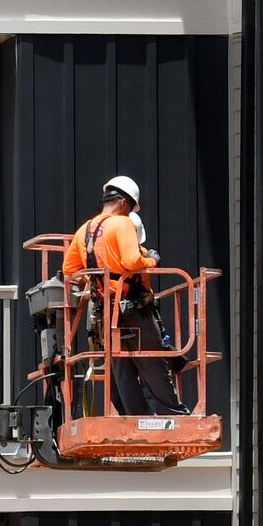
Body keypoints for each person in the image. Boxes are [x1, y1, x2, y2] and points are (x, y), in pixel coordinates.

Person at [66, 174, 182, 412]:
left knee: (120, 366)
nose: (129, 213)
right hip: (132, 308)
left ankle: (134, 418)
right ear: (122, 202)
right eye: (129, 208)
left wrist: (95, 280)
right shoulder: (122, 223)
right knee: (151, 361)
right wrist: (152, 261)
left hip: (105, 312)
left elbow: (70, 271)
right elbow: (131, 261)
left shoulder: (84, 231)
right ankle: (174, 416)